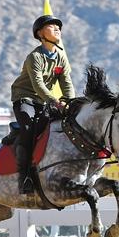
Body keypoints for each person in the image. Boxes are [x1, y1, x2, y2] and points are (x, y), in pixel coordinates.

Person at [10, 14, 76, 194]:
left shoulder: (61, 57)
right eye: (51, 26)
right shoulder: (35, 57)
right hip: (25, 99)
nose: (57, 29)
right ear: (40, 34)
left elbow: (66, 83)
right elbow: (38, 85)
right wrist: (56, 101)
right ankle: (25, 178)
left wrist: (70, 103)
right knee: (30, 129)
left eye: (58, 27)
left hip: (43, 101)